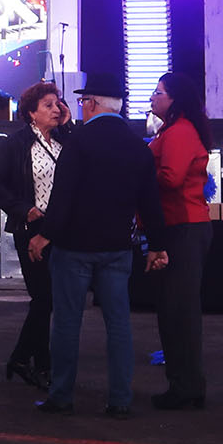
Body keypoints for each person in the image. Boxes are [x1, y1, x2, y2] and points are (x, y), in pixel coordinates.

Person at [28, 73, 168, 419]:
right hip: (118, 247)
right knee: (119, 323)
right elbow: (150, 201)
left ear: (90, 104)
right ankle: (119, 399)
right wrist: (157, 246)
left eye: (81, 102)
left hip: (75, 247)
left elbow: (64, 195)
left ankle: (61, 395)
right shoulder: (139, 146)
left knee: (66, 323)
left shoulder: (79, 142)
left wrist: (46, 234)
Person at [0, 81, 73, 391]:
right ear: (31, 113)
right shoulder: (15, 144)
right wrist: (24, 210)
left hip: (62, 229)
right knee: (44, 298)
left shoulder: (66, 139)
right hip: (31, 228)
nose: (56, 109)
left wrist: (69, 125)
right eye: (48, 104)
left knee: (54, 299)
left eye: (57, 103)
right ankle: (32, 361)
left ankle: (30, 361)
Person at [146, 72, 213, 411]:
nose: (152, 98)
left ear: (174, 99)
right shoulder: (176, 131)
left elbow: (170, 178)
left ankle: (186, 386)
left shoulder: (179, 132)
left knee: (179, 310)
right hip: (181, 225)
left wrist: (139, 171)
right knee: (175, 308)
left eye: (158, 93)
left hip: (183, 226)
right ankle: (184, 383)